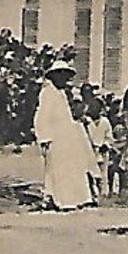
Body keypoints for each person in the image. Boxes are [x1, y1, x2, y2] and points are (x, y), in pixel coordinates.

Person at [35, 65, 94, 210]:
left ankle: (74, 198)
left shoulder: (61, 93)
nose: (65, 79)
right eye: (62, 76)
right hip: (55, 137)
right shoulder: (47, 93)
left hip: (66, 136)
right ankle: (59, 200)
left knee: (70, 167)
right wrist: (44, 138)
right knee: (56, 169)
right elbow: (42, 117)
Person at [84, 99, 115, 198]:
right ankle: (91, 194)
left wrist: (105, 144)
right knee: (90, 173)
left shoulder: (105, 122)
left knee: (102, 173)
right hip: (89, 151)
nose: (94, 109)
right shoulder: (86, 122)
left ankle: (102, 193)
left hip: (102, 151)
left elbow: (109, 137)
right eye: (92, 107)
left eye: (96, 107)